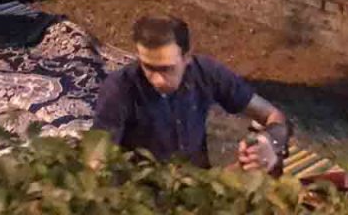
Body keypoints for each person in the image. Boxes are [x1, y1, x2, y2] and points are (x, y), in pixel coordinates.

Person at [93, 16, 289, 173]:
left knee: (268, 167)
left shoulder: (206, 72)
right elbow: (96, 161)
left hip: (199, 186)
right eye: (149, 67)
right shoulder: (119, 88)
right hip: (142, 194)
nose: (157, 80)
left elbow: (273, 115)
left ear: (187, 57)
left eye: (167, 69)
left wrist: (269, 143)